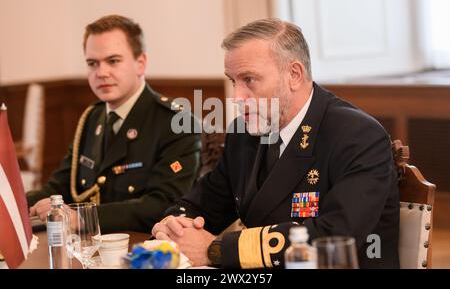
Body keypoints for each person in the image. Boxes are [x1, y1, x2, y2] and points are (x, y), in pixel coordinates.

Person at [151, 18, 399, 269]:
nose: (236, 97)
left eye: (249, 79)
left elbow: (334, 236)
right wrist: (173, 225)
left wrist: (215, 249)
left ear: (294, 75)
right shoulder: (243, 133)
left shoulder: (357, 135)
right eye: (233, 81)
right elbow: (201, 203)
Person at [27, 15, 201, 233]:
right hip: (88, 248)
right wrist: (13, 205)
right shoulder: (92, 117)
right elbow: (60, 187)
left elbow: (164, 204)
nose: (101, 73)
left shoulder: (177, 122)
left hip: (142, 250)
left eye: (113, 61)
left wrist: (82, 217)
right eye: (92, 63)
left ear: (141, 63)